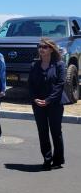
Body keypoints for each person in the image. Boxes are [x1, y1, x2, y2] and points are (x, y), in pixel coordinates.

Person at [28, 38, 66, 170]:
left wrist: (48, 100)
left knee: (56, 132)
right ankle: (47, 159)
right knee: (42, 132)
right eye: (39, 47)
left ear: (51, 49)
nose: (41, 49)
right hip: (38, 104)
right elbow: (30, 85)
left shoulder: (59, 64)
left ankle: (58, 159)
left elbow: (60, 85)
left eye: (44, 47)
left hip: (55, 103)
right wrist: (35, 99)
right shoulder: (34, 65)